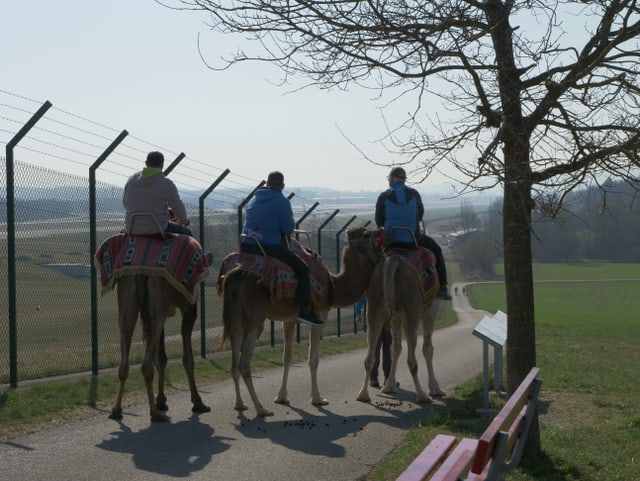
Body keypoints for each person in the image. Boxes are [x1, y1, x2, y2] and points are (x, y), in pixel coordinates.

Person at [239, 171, 323, 327]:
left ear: (267, 183)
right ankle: (305, 310)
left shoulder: (254, 199)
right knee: (303, 268)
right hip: (267, 247)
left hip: (246, 244)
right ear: (282, 186)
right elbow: (288, 229)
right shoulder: (282, 201)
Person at [375, 166, 452, 300]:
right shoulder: (415, 194)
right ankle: (443, 288)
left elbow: (379, 220)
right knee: (437, 250)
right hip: (413, 240)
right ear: (404, 179)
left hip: (390, 242)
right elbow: (420, 214)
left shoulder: (383, 196)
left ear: (392, 179)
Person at [123, 151, 193, 236]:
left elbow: (125, 204)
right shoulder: (167, 184)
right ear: (162, 164)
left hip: (131, 228)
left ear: (146, 163)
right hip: (157, 229)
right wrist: (184, 220)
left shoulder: (131, 180)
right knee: (187, 233)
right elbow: (177, 207)